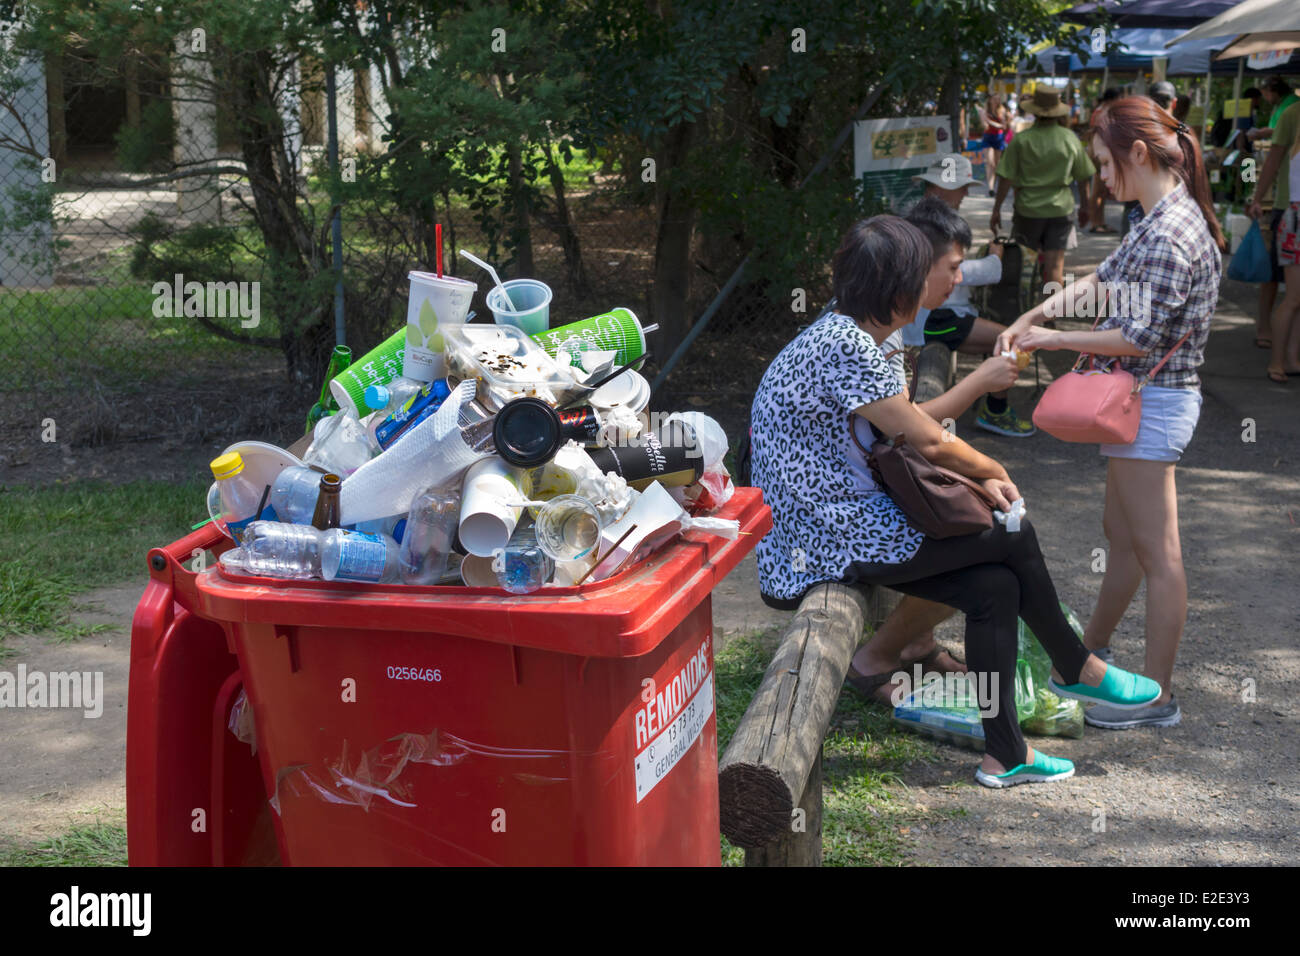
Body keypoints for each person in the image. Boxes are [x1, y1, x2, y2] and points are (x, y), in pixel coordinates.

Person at [750, 214, 1162, 787]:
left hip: (833, 523)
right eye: (928, 274)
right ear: (898, 289)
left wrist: (981, 477)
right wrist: (993, 469)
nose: (938, 285)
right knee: (1013, 530)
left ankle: (1007, 754)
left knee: (994, 588)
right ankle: (1075, 665)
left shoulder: (848, 331)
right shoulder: (848, 345)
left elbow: (907, 432)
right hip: (820, 538)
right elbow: (921, 437)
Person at [998, 96, 1226, 729]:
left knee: (1158, 553)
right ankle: (1085, 656)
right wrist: (1038, 313)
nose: (1099, 175)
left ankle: (1154, 696)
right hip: (1147, 403)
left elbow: (1137, 337)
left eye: (1102, 162)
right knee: (1122, 538)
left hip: (1154, 403)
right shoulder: (1157, 217)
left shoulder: (1169, 231)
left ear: (1137, 153)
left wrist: (1052, 336)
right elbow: (1104, 277)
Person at [900, 181, 1034, 436]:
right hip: (941, 322)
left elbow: (903, 423)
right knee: (1008, 340)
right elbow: (907, 428)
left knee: (1004, 340)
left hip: (943, 320)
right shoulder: (862, 340)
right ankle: (995, 410)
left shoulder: (877, 325)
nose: (966, 193)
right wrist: (978, 382)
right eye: (953, 268)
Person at [991, 88, 1094, 293]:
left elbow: (1005, 178)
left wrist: (996, 209)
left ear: (1034, 111)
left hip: (1028, 210)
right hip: (1060, 209)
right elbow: (1083, 178)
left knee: (1026, 264)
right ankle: (1050, 314)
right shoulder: (1069, 138)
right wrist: (1085, 206)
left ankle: (1024, 310)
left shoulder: (1021, 140)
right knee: (1055, 266)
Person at [1247, 88, 1300, 379]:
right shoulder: (1292, 114)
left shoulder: (1288, 111)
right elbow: (1272, 160)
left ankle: (1289, 357)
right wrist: (1256, 197)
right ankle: (1267, 336)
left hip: (1289, 211)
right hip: (1289, 211)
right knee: (1281, 285)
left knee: (1294, 295)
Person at [1088, 88, 1122, 234]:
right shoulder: (1104, 112)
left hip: (1098, 154)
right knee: (1097, 190)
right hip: (1099, 155)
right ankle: (1096, 223)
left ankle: (1099, 222)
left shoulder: (1101, 111)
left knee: (1100, 191)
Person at [977, 92, 1010, 194]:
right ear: (990, 100)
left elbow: (1003, 127)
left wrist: (991, 122)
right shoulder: (984, 110)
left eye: (998, 99)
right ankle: (991, 188)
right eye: (995, 99)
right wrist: (989, 123)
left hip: (998, 138)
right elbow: (984, 125)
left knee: (996, 164)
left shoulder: (1002, 110)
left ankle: (996, 185)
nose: (997, 101)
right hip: (988, 137)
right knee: (989, 162)